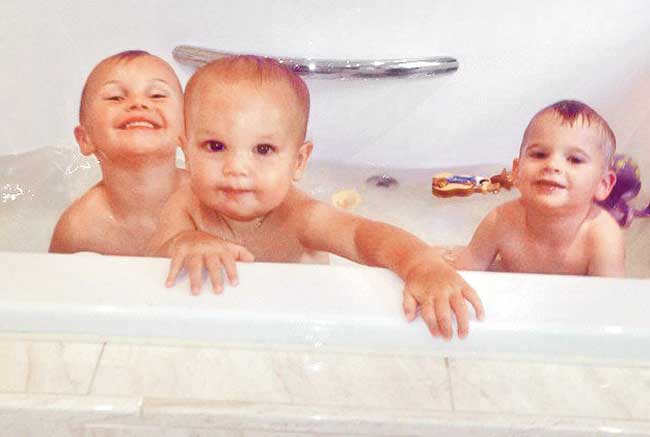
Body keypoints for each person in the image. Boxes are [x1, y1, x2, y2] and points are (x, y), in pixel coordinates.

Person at [149, 55, 484, 339]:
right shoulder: (184, 204)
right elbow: (150, 262)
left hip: (300, 326)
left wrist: (420, 264)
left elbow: (361, 236)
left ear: (298, 162)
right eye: (215, 146)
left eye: (263, 149)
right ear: (186, 150)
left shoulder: (299, 216)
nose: (236, 168)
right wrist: (187, 241)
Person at [453, 100, 625, 276]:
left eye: (575, 159)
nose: (552, 165)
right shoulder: (500, 220)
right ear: (517, 171)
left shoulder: (602, 236)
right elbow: (463, 277)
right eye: (539, 154)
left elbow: (609, 299)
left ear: (602, 184)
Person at [49, 50, 187, 256]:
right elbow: (49, 282)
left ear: (185, 131)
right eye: (115, 97)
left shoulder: (208, 202)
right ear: (85, 139)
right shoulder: (79, 228)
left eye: (157, 95)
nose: (138, 103)